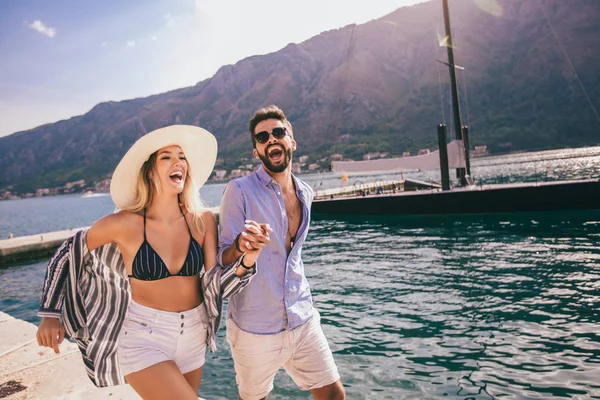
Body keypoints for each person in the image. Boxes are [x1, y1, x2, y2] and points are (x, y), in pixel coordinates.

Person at [36, 125, 263, 399]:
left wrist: (247, 258)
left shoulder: (202, 220)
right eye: (166, 157)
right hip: (144, 336)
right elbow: (68, 252)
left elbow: (214, 284)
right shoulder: (124, 223)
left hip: (194, 332)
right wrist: (50, 313)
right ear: (149, 171)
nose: (178, 162)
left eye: (182, 156)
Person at [218, 105, 346, 400]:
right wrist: (242, 245)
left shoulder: (306, 193)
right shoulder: (238, 190)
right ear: (256, 151)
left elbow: (293, 256)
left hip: (302, 317)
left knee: (333, 395)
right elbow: (222, 256)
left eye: (278, 132)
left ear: (291, 141)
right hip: (254, 327)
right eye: (262, 137)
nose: (271, 139)